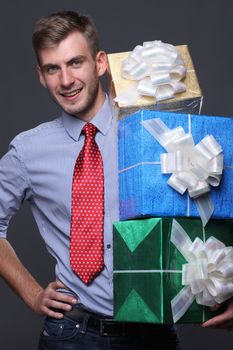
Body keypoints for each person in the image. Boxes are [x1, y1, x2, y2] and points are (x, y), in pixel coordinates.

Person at [0, 10, 231, 350]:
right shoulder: (28, 150)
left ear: (101, 63)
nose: (66, 80)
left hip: (155, 333)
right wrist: (32, 293)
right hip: (71, 333)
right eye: (53, 68)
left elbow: (217, 201)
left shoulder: (156, 130)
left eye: (75, 63)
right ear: (41, 75)